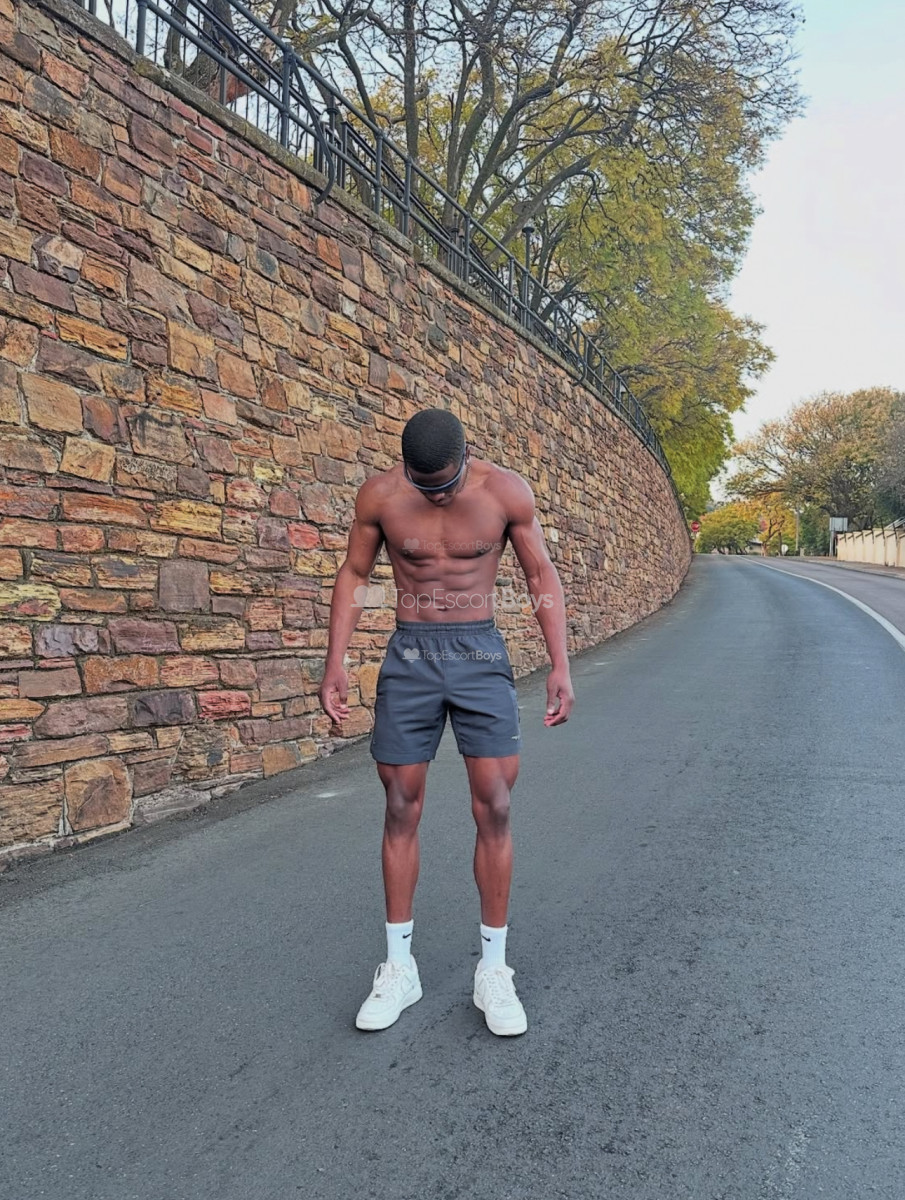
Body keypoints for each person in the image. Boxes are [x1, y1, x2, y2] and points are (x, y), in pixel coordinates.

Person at [318, 408, 574, 1036]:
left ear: (465, 458)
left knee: (496, 805)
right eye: (424, 486)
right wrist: (335, 662)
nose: (436, 496)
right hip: (410, 656)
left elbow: (539, 573)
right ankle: (399, 967)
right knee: (400, 805)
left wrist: (560, 664)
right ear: (406, 467)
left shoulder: (505, 492)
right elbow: (354, 574)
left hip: (479, 653)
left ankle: (494, 970)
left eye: (447, 485)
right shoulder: (380, 496)